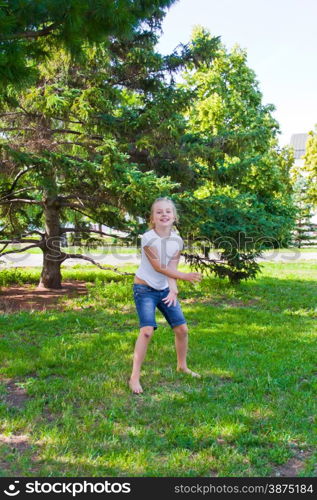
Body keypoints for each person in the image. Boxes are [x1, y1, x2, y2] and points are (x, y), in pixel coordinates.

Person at [129, 197, 202, 394]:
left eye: (168, 211)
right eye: (159, 212)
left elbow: (171, 267)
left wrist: (173, 288)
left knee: (182, 329)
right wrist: (185, 277)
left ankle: (182, 366)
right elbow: (158, 266)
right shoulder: (148, 238)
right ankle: (134, 376)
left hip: (163, 289)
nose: (164, 215)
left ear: (174, 216)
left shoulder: (177, 240)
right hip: (144, 289)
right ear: (152, 217)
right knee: (147, 331)